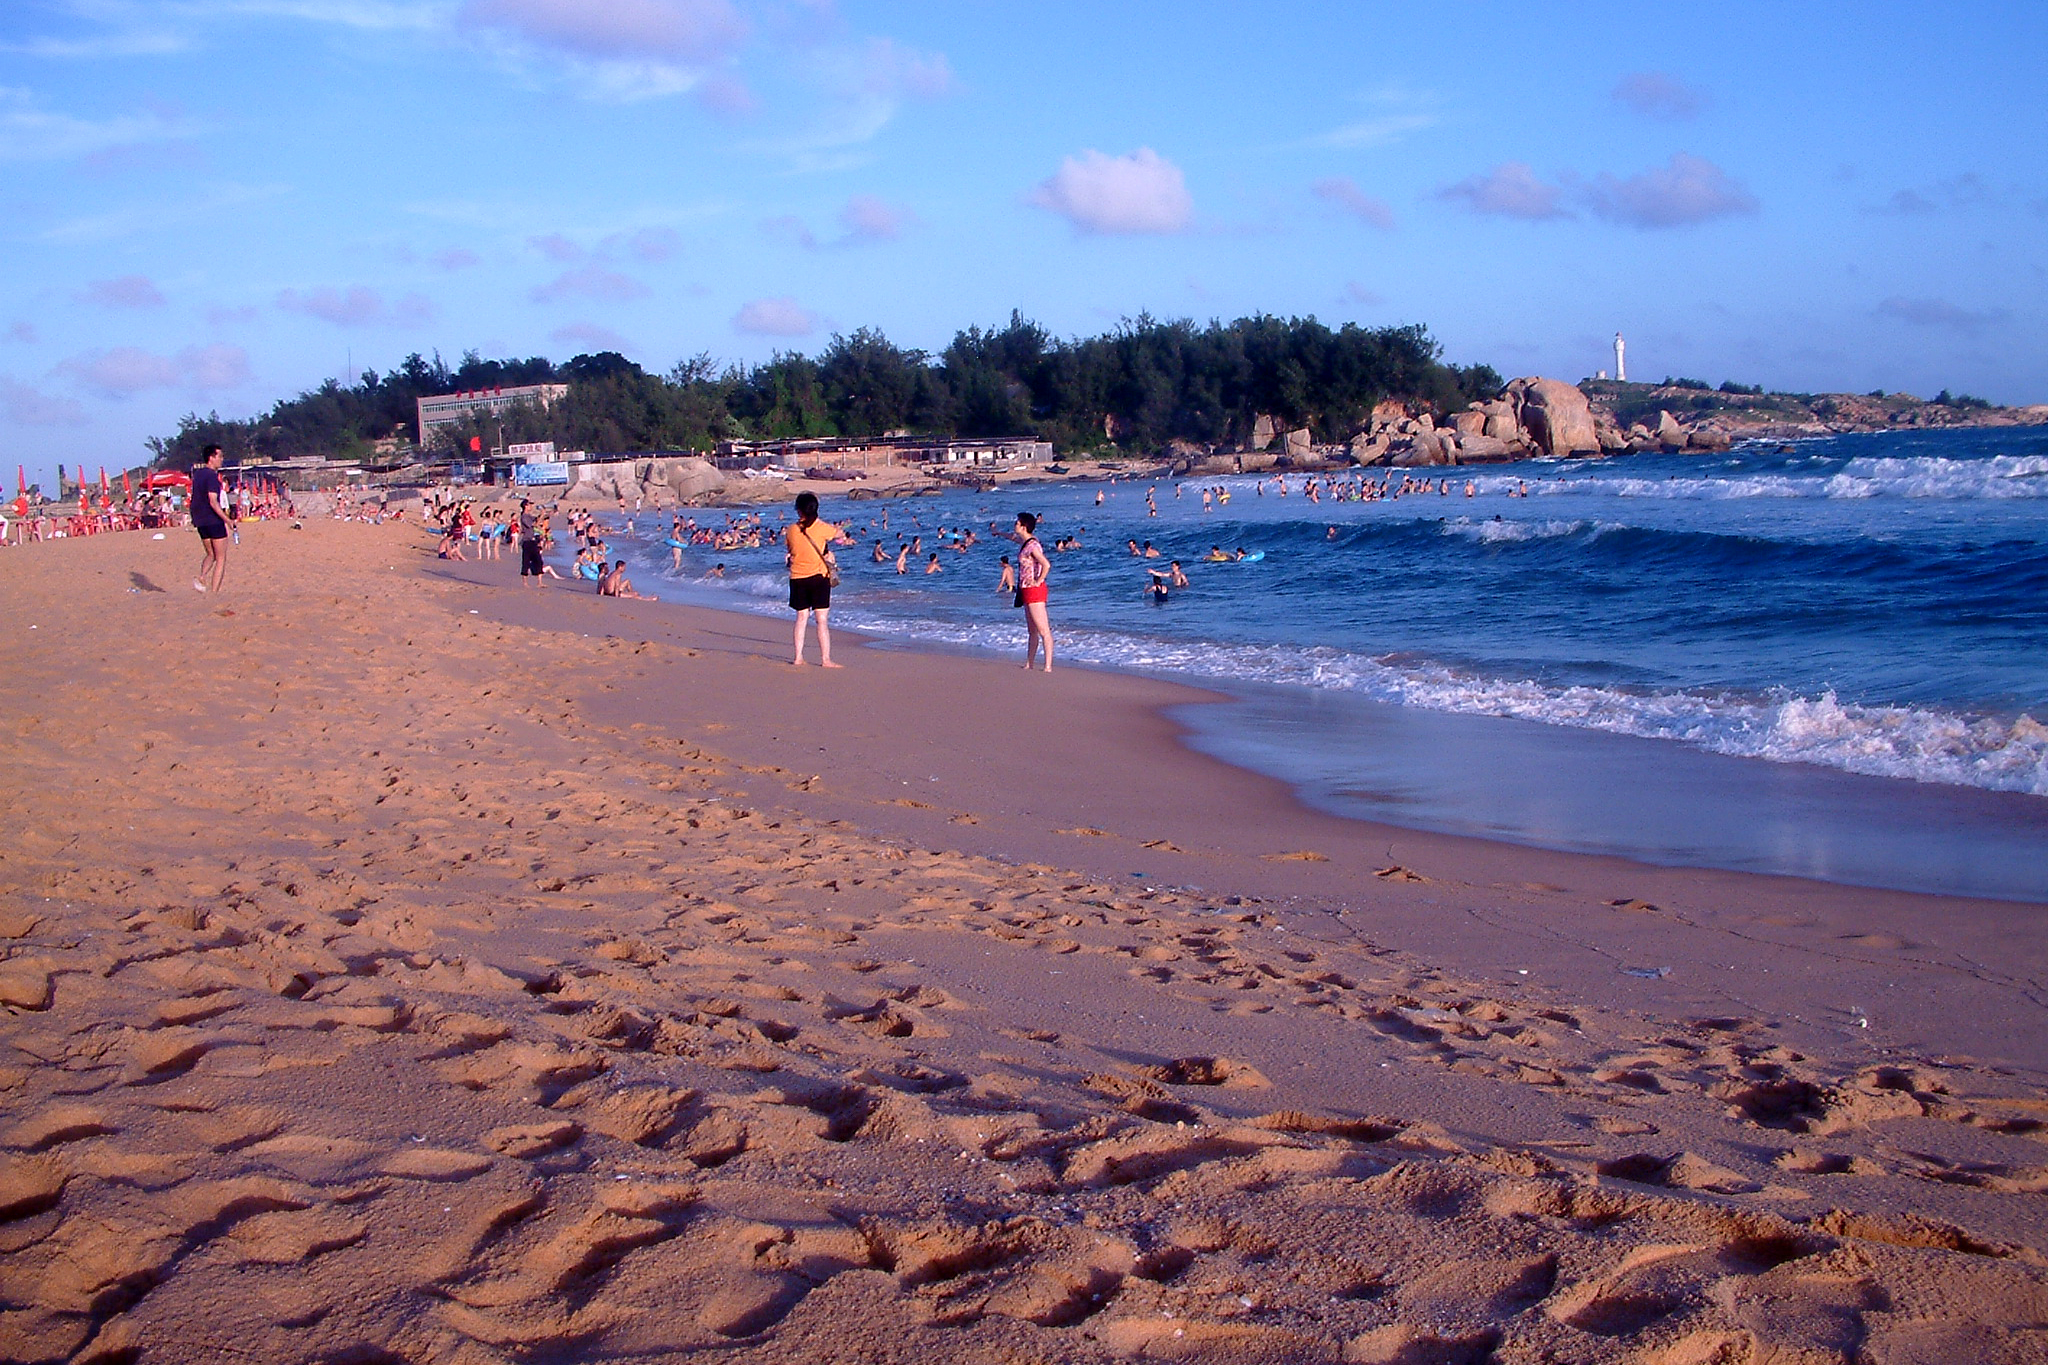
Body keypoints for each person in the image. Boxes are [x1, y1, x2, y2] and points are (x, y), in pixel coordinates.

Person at [785, 490, 843, 668]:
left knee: (801, 618)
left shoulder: (791, 530)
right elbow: (839, 534)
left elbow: (791, 550)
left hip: (798, 577)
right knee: (822, 620)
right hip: (819, 578)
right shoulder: (821, 527)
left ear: (799, 510)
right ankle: (825, 659)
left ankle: (798, 657)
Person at [1002, 512, 1052, 672]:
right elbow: (1014, 538)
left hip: (1034, 590)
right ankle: (1030, 663)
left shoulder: (1033, 545)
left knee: (1043, 630)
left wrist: (1038, 580)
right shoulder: (1026, 543)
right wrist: (999, 533)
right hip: (1025, 589)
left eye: (1017, 523)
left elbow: (1046, 564)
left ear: (1023, 527)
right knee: (1032, 631)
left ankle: (1048, 666)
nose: (1014, 525)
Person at [190, 444, 230, 593]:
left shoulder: (198, 475)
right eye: (219, 456)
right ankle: (214, 592)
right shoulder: (212, 476)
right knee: (220, 558)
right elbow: (213, 501)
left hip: (201, 521)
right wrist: (228, 520)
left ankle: (202, 576)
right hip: (213, 520)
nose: (222, 459)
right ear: (211, 458)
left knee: (211, 554)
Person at [517, 499, 545, 587]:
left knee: (538, 560)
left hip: (532, 541)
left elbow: (537, 521)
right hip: (527, 541)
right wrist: (540, 517)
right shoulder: (524, 517)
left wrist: (542, 514)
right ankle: (525, 583)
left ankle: (539, 582)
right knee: (526, 561)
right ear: (525, 506)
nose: (531, 506)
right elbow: (533, 525)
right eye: (529, 505)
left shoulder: (529, 515)